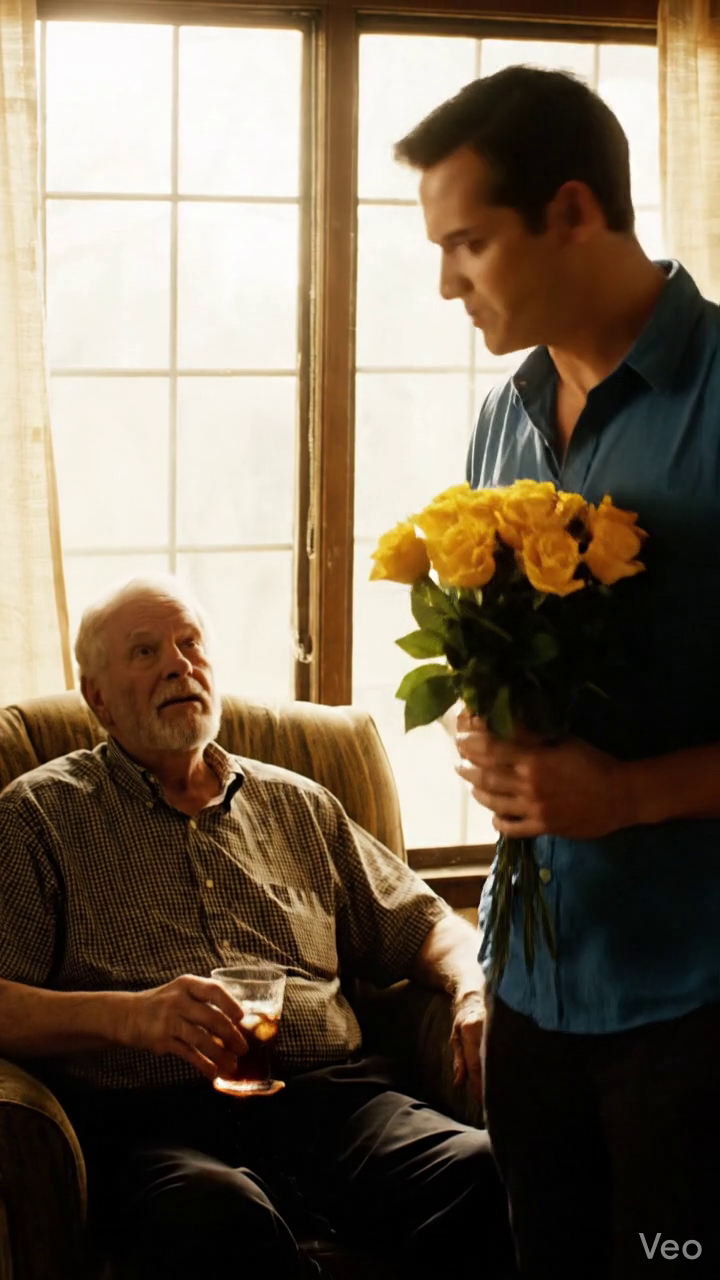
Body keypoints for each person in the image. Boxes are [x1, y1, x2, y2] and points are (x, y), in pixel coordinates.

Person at [394, 66, 720, 1278]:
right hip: (529, 978)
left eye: (468, 241)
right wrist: (483, 721)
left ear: (575, 211)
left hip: (693, 1001)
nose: (445, 281)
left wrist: (630, 794)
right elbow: (502, 650)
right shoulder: (503, 416)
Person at [0, 574, 515, 1280]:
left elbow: (431, 924)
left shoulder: (300, 804)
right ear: (97, 697)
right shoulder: (39, 816)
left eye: (190, 644)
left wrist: (471, 993)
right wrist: (132, 1019)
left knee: (490, 1176)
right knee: (216, 1217)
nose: (179, 664)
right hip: (153, 1125)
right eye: (146, 652)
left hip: (337, 1102)